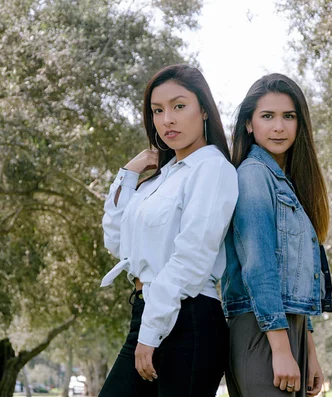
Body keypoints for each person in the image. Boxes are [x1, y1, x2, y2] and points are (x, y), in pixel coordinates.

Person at [99, 64, 239, 397]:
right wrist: (129, 173)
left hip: (188, 319)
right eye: (157, 111)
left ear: (203, 109)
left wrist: (151, 332)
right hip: (149, 312)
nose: (167, 120)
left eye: (179, 106)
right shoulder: (161, 179)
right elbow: (117, 243)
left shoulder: (212, 168)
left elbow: (191, 258)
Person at [222, 73, 332, 397]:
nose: (278, 127)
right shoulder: (254, 176)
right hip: (261, 330)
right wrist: (281, 350)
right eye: (267, 116)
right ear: (249, 124)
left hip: (287, 329)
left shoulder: (287, 184)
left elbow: (293, 279)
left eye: (288, 116)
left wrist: (308, 350)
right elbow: (259, 266)